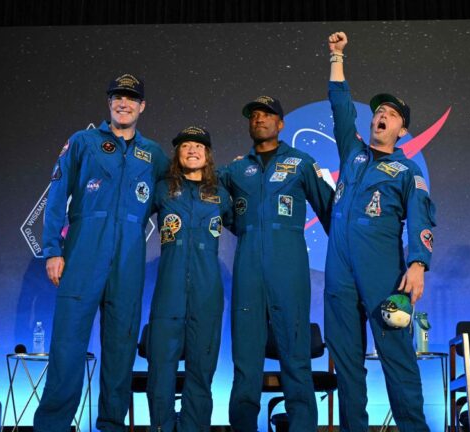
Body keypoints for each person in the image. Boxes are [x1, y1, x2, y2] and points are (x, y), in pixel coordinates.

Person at [35, 73, 169, 432]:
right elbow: (56, 195)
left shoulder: (154, 154)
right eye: (117, 97)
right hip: (83, 252)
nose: (123, 103)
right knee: (67, 347)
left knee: (121, 349)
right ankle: (52, 426)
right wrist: (53, 250)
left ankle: (112, 425)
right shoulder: (83, 141)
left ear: (142, 106)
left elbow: (175, 194)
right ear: (109, 103)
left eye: (131, 98)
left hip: (128, 258)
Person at [323, 31, 437, 431]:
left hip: (383, 275)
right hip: (339, 276)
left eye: (390, 113)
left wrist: (418, 265)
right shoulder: (352, 153)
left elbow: (421, 218)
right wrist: (336, 57)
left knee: (398, 359)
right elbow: (340, 106)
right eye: (377, 111)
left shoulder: (407, 170)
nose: (380, 115)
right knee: (346, 364)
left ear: (401, 129)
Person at [220, 96, 334, 431]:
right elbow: (213, 202)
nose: (259, 119)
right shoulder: (235, 170)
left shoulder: (301, 163)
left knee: (296, 358)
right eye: (253, 115)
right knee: (245, 362)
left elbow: (332, 212)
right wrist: (246, 228)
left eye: (267, 114)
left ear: (281, 124)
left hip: (289, 267)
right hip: (248, 269)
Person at [146, 125, 233, 432]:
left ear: (208, 155)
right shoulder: (162, 190)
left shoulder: (221, 195)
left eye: (199, 146)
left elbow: (247, 227)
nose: (192, 150)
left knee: (202, 369)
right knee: (161, 368)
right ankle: (161, 427)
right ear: (177, 154)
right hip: (168, 292)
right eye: (185, 146)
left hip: (207, 293)